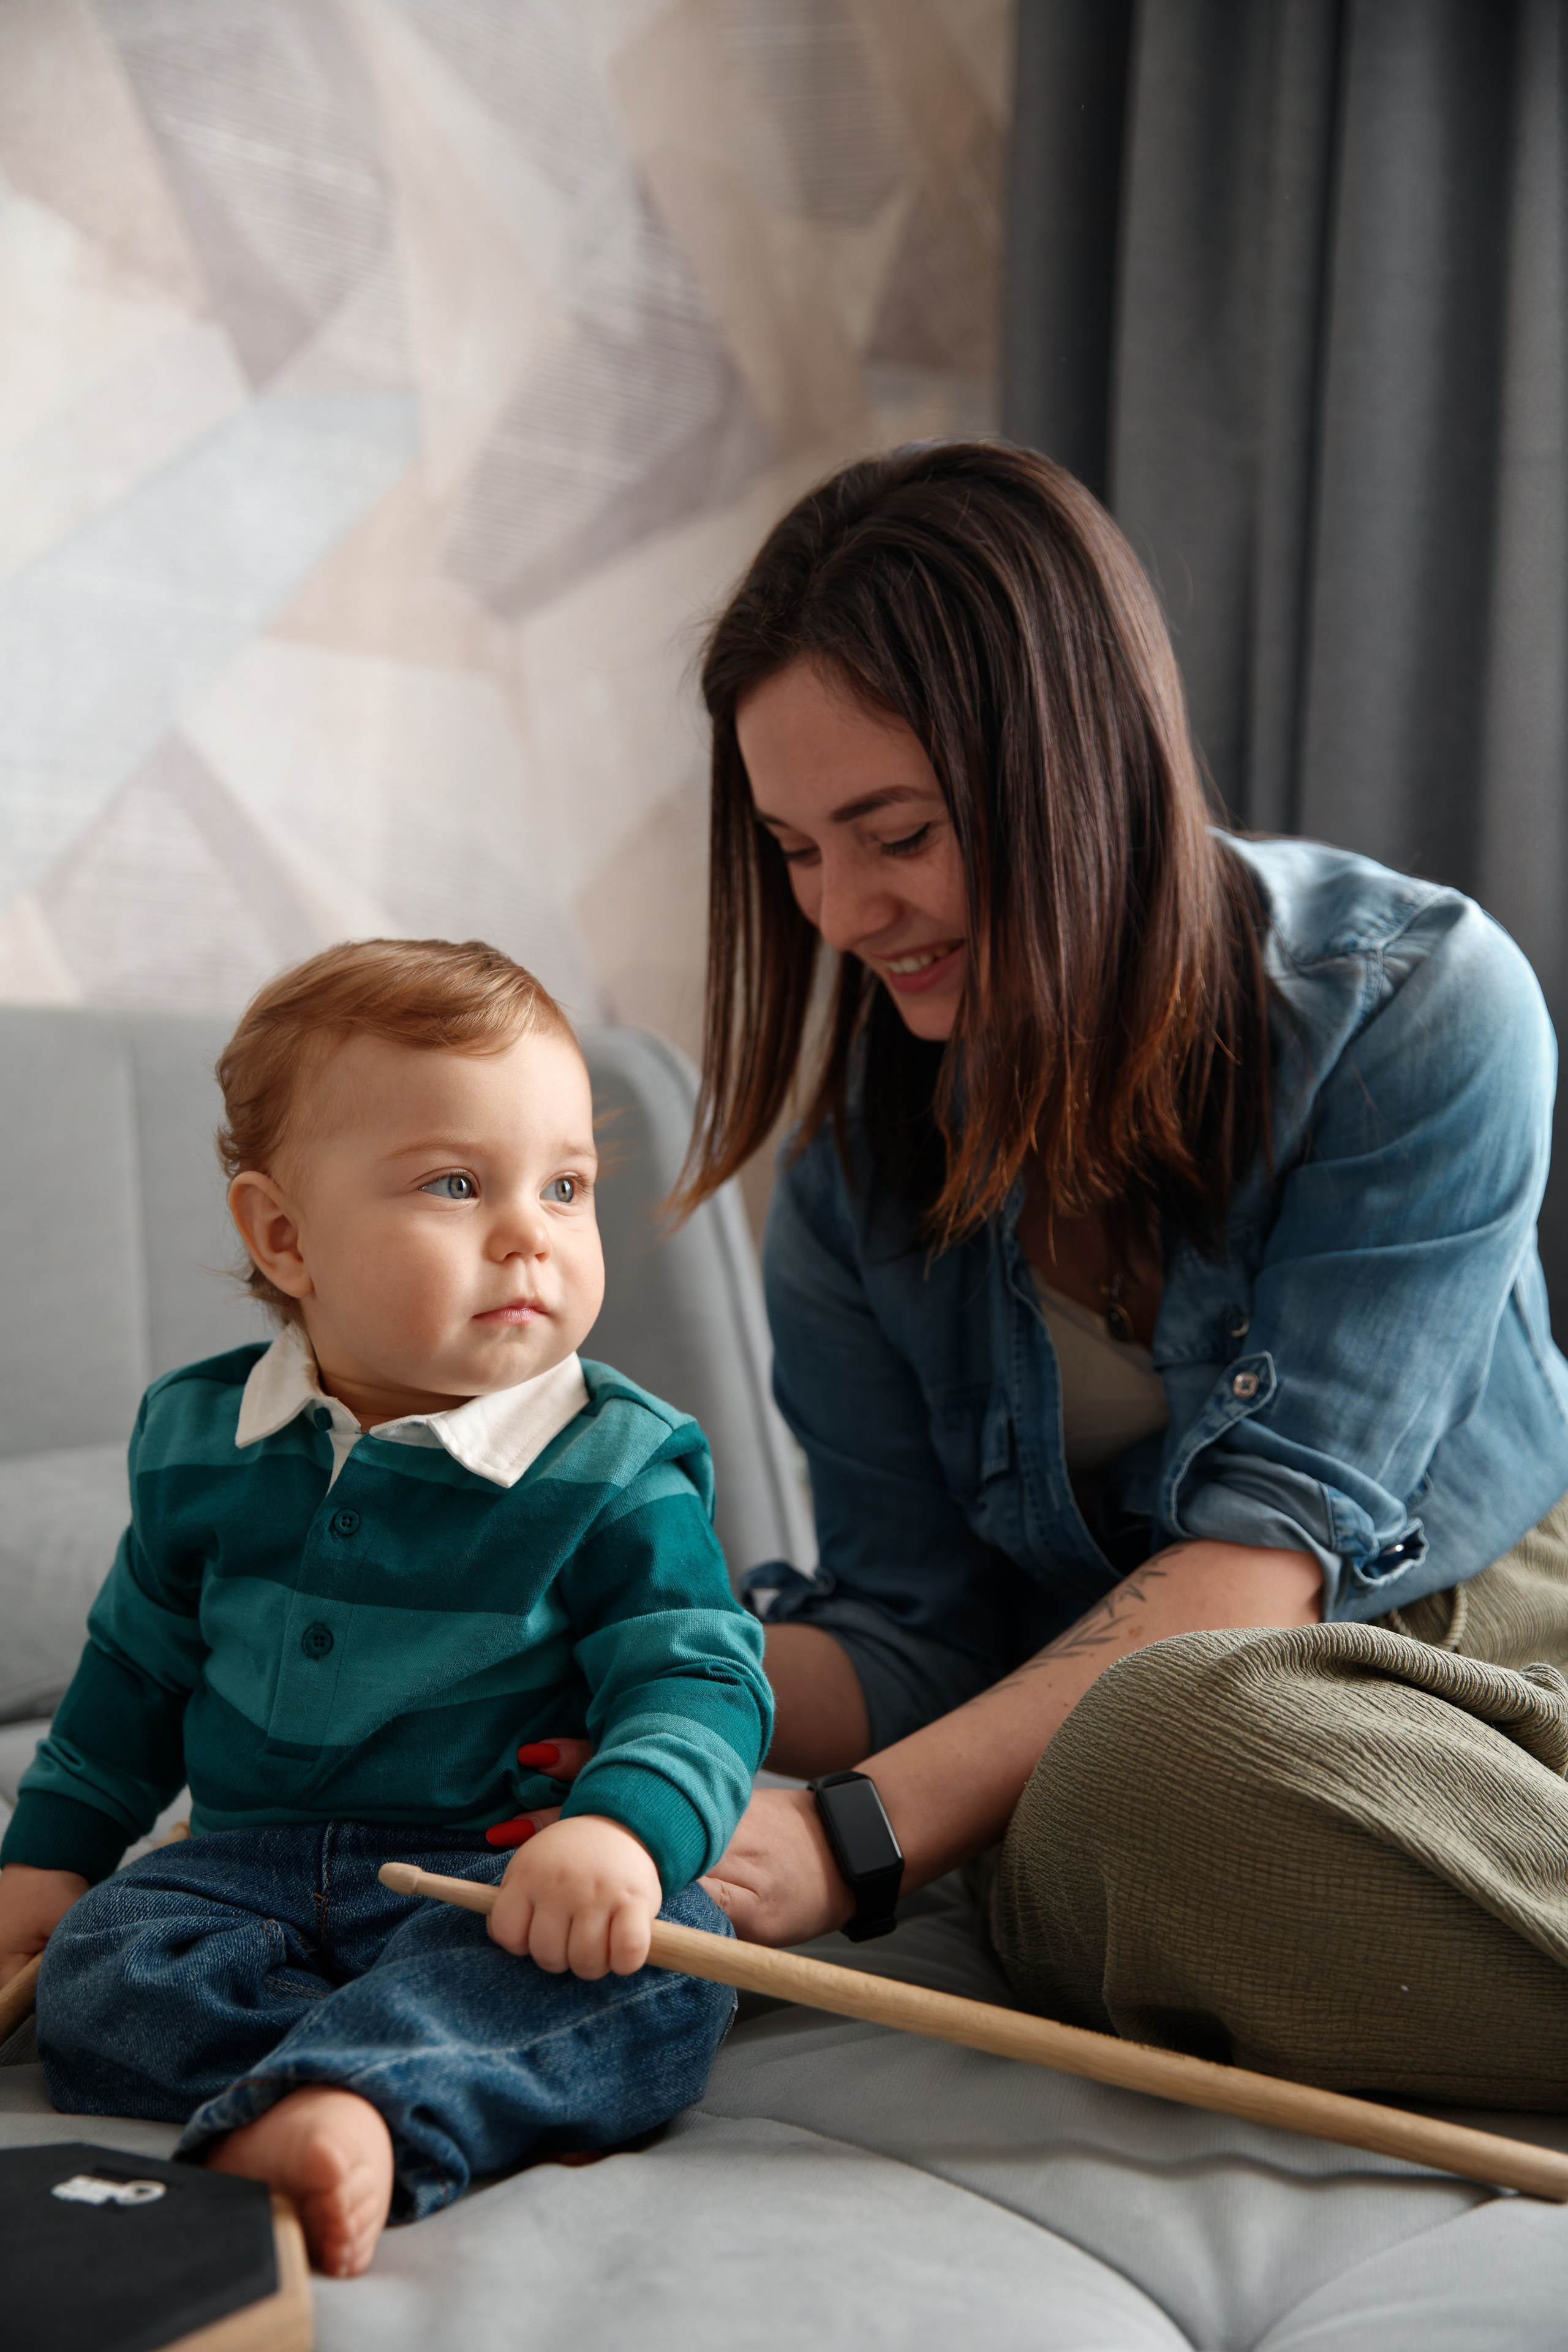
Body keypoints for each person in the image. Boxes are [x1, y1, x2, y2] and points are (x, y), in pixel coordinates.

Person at [675, 440, 1568, 2105]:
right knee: (1089, 1813)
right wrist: (617, 1652)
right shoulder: (852, 1192)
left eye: (895, 834)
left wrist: (855, 1838)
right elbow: (918, 1646)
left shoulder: (1417, 1003)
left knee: (1141, 1768)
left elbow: (1271, 1559)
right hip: (1112, 1744)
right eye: (794, 851)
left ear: (1071, 766)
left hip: (1484, 1669)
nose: (844, 913)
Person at [0, 939, 772, 2277]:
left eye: (567, 1186)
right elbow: (135, 1672)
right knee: (99, 1969)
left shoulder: (617, 1462)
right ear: (283, 1236)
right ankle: (395, 2070)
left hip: (492, 1876)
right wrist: (49, 1859)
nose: (531, 1232)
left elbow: (697, 1675)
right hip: (237, 1872)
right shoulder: (197, 1435)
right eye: (457, 1185)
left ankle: (354, 2098)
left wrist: (619, 1832)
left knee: (671, 1962)